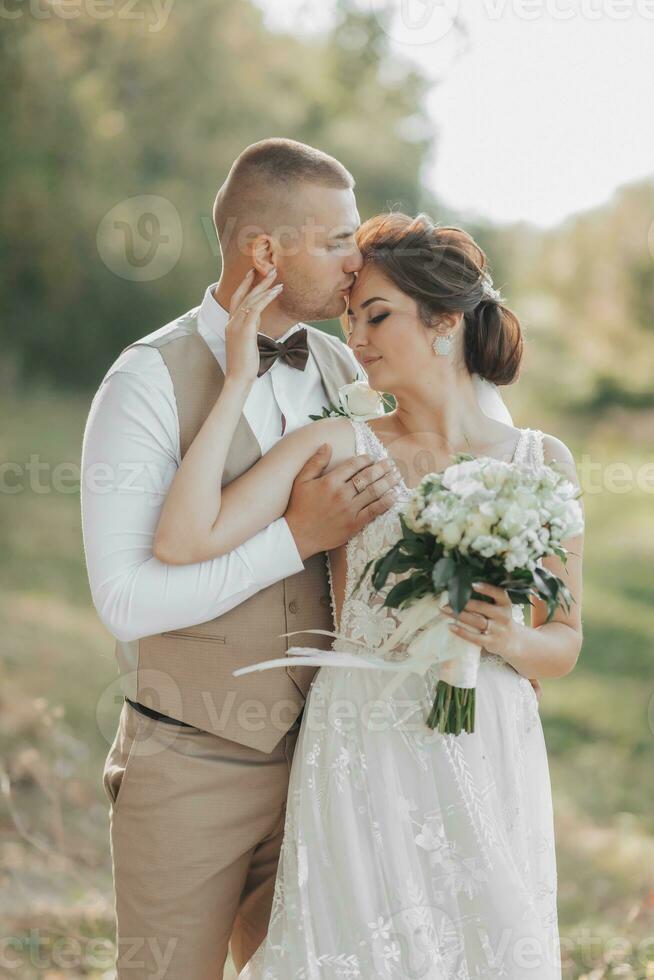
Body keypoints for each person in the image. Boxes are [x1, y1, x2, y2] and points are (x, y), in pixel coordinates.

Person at [154, 211, 584, 978]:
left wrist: (508, 639)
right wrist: (238, 380)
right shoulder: (333, 444)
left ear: (446, 321)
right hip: (364, 738)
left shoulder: (539, 460)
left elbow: (565, 642)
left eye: (377, 316)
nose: (355, 339)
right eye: (350, 319)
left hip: (488, 738)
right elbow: (184, 539)